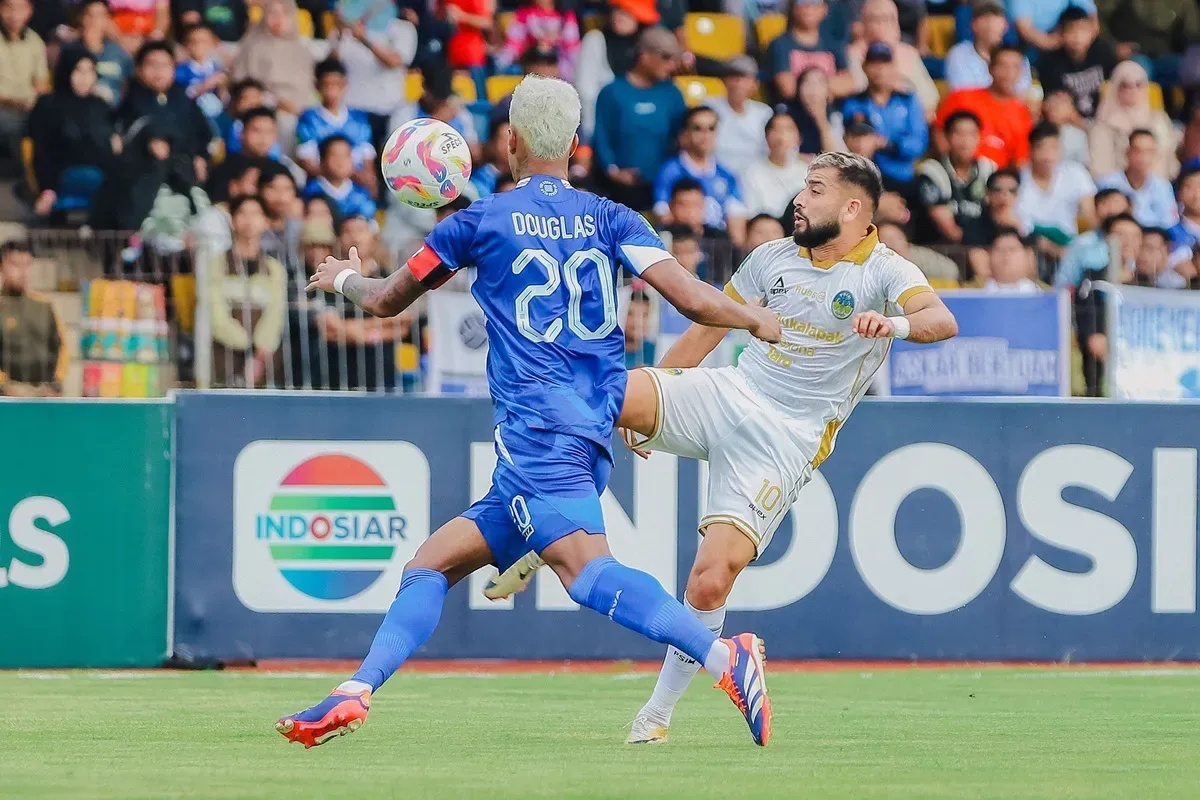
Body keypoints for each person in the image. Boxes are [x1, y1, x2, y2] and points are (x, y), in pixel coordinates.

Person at [281, 75, 782, 749]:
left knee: (587, 575)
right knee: (430, 565)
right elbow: (688, 296)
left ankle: (726, 657)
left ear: (507, 140)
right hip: (589, 425)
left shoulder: (475, 223)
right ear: (575, 145)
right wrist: (754, 319)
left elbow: (386, 300)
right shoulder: (612, 217)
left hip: (539, 430)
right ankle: (355, 691)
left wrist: (342, 275)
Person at [484, 152, 959, 744]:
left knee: (709, 582)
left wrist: (895, 326)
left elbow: (941, 319)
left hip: (786, 438)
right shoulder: (772, 258)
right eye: (802, 189)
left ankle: (656, 717)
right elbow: (707, 328)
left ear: (853, 207)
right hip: (731, 391)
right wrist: (657, 389)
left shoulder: (885, 271)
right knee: (593, 397)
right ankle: (547, 528)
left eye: (814, 190)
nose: (799, 200)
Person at [593, 27, 687, 211]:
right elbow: (602, 135)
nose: (672, 65)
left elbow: (681, 136)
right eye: (666, 57)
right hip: (620, 190)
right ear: (644, 55)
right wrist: (613, 172)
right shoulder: (612, 92)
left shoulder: (673, 94)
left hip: (663, 189)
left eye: (674, 59)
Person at [207, 194, 287, 388]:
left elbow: (276, 314)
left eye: (256, 214)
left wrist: (261, 349)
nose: (249, 220)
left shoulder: (274, 269)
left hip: (264, 357)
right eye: (242, 213)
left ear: (266, 221)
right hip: (223, 351)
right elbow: (214, 311)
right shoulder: (214, 264)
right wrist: (245, 343)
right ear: (232, 220)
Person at [26, 50, 114, 217]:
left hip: (102, 172)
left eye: (90, 71)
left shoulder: (100, 105)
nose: (85, 78)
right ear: (67, 71)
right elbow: (42, 151)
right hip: (61, 174)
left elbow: (108, 148)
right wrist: (48, 188)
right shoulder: (48, 104)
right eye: (78, 70)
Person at [114, 41, 214, 180]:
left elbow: (203, 133)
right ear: (138, 69)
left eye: (165, 65)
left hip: (184, 172)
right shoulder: (129, 101)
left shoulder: (184, 99)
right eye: (152, 64)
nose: (158, 70)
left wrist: (201, 156)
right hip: (143, 174)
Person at [653, 106, 748, 247]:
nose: (705, 134)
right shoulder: (670, 171)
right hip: (681, 248)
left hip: (718, 248)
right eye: (698, 128)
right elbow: (663, 216)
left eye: (711, 128)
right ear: (684, 134)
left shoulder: (727, 175)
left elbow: (737, 224)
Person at [839, 42, 928, 193]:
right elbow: (854, 142)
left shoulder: (908, 100)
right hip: (868, 177)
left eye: (885, 63)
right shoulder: (854, 103)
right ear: (864, 67)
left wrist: (886, 144)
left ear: (894, 67)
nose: (879, 69)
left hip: (904, 176)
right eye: (874, 63)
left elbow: (919, 144)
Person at [229, 0, 315, 151]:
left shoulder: (303, 52)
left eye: (285, 14)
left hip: (303, 113)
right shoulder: (252, 47)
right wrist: (279, 104)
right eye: (273, 13)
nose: (278, 19)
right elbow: (243, 88)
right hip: (267, 112)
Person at [1073, 212, 1142, 395]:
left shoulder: (1148, 282)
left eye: (1134, 236)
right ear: (1106, 240)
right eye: (1120, 235)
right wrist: (1092, 334)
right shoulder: (1093, 280)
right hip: (1103, 362)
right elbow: (1086, 315)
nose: (1127, 242)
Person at [935, 44, 1034, 169]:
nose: (1009, 73)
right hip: (957, 173)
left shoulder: (1022, 114)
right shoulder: (962, 97)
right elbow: (939, 131)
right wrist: (951, 166)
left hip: (996, 181)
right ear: (990, 68)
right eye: (1003, 66)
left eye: (1015, 67)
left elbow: (1020, 161)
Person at [324, 3, 416, 137]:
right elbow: (331, 66)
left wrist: (364, 39)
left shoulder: (403, 27)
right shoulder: (343, 30)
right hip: (351, 110)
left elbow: (394, 61)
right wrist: (339, 33)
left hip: (385, 110)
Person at [296, 58, 377, 194]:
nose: (332, 92)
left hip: (357, 189)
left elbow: (367, 157)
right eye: (326, 85)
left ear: (345, 85)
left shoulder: (358, 118)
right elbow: (307, 163)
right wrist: (341, 175)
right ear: (317, 86)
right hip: (322, 188)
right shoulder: (309, 118)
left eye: (337, 85)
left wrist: (369, 181)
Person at [575, 0, 650, 145]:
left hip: (634, 134)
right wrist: (590, 137)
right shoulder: (595, 39)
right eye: (617, 9)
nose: (619, 16)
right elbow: (586, 93)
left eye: (627, 12)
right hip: (599, 132)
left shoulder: (645, 48)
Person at [846, 0, 938, 118]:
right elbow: (857, 86)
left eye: (887, 19)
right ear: (864, 23)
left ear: (896, 24)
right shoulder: (853, 53)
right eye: (874, 19)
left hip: (906, 123)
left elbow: (929, 100)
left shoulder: (909, 53)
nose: (880, 25)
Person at [915, 110, 995, 245]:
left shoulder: (989, 168)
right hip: (942, 247)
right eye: (959, 134)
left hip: (984, 245)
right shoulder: (932, 171)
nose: (965, 141)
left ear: (979, 138)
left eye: (971, 134)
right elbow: (951, 232)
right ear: (947, 137)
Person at [1089, 60, 1178, 180]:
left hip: (1158, 187)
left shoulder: (1159, 119)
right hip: (1117, 191)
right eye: (1125, 84)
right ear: (1116, 87)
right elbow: (1100, 171)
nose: (1132, 89)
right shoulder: (1103, 125)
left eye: (1138, 84)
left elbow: (1169, 162)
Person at [1016, 123, 1096, 253]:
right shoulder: (1018, 179)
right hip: (1029, 246)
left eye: (1053, 148)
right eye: (1041, 148)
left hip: (1070, 246)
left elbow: (1089, 214)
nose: (1047, 156)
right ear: (1030, 150)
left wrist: (1080, 245)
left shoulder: (1076, 173)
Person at [0, 240, 64, 397]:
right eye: (15, 265)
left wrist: (55, 384)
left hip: (44, 393)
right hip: (7, 394)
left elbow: (61, 347)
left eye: (27, 265)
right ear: (2, 267)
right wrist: (3, 387)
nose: (23, 271)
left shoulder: (44, 306)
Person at [1036, 6, 1116, 120]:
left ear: (1092, 32)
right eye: (1071, 30)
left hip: (1103, 118)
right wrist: (1086, 127)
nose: (1077, 36)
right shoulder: (1050, 61)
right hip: (1070, 123)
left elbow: (1115, 83)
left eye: (1083, 30)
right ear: (1061, 33)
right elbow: (1056, 104)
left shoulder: (1102, 51)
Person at [766, 0, 851, 104]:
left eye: (815, 2)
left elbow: (848, 84)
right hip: (793, 112)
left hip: (830, 112)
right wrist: (830, 85)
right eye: (801, 2)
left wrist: (807, 84)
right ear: (793, 7)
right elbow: (788, 88)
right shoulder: (780, 45)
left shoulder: (833, 45)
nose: (808, 7)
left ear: (824, 9)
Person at [207, 106, 293, 204]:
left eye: (269, 132)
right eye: (257, 131)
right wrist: (238, 189)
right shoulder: (225, 168)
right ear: (242, 133)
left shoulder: (281, 170)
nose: (263, 138)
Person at [944, 1, 1033, 95]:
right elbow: (962, 95)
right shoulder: (958, 54)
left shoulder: (1016, 55)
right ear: (972, 25)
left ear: (1006, 25)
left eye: (996, 17)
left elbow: (1023, 94)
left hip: (1009, 108)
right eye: (984, 17)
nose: (990, 24)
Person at [1097, 129, 1179, 229]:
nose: (1143, 157)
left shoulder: (1163, 187)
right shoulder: (1108, 183)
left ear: (1156, 155)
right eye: (1137, 151)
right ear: (1127, 152)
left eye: (1149, 151)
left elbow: (1170, 224)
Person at [708, 56, 773, 181]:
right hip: (716, 178)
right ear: (724, 80)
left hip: (755, 179)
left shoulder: (764, 113)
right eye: (733, 77)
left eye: (744, 78)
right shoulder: (709, 108)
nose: (738, 83)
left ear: (755, 84)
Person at [0, 0, 49, 167]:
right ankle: (20, 170)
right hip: (4, 107)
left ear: (30, 11)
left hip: (29, 107)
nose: (14, 15)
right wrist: (14, 103)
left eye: (20, 8)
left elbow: (40, 84)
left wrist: (42, 105)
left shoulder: (35, 42)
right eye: (9, 7)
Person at [1054, 186, 1133, 288]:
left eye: (1122, 205)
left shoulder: (1135, 241)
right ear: (1098, 207)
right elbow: (1064, 284)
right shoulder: (1082, 244)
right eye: (1111, 203)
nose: (1117, 210)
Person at [962, 167, 1029, 282]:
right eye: (998, 190)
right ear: (988, 194)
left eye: (1012, 191)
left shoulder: (1023, 229)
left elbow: (1030, 271)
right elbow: (982, 271)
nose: (1005, 196)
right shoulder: (974, 227)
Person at [61, 0, 133, 107]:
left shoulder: (119, 53)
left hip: (114, 114)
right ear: (81, 18)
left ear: (108, 19)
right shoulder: (69, 51)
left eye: (100, 15)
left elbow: (129, 83)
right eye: (89, 15)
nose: (94, 21)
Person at [741, 112, 810, 219]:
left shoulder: (807, 173)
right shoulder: (751, 173)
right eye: (776, 130)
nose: (781, 137)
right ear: (766, 136)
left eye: (788, 130)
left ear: (799, 138)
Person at [497, 0, 580, 82]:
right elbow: (513, 45)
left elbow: (573, 48)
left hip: (561, 65)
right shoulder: (524, 14)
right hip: (532, 63)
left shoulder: (566, 16)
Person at [302, 134, 376, 221]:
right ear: (322, 160)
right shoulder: (310, 193)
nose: (341, 161)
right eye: (335, 155)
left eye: (346, 155)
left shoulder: (362, 194)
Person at [876, 218, 961, 283]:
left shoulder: (921, 257)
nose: (892, 244)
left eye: (896, 238)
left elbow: (951, 271)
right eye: (886, 240)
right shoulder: (875, 264)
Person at [784, 68, 846, 157]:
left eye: (820, 83)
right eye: (807, 83)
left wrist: (821, 120)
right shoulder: (787, 114)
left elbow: (836, 155)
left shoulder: (835, 116)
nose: (814, 89)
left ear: (828, 93)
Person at [175, 23, 227, 122]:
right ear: (186, 45)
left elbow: (224, 98)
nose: (199, 46)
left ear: (213, 43)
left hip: (216, 116)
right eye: (194, 42)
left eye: (204, 41)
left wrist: (223, 88)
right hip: (191, 116)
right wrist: (205, 85)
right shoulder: (181, 70)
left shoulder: (217, 69)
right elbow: (183, 94)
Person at [1009, 0, 1096, 53]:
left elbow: (1092, 18)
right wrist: (1062, 40)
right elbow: (1025, 30)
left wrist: (1079, 40)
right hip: (1024, 50)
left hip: (1067, 47)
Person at [1042, 88, 1090, 166]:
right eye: (1052, 101)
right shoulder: (1038, 130)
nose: (1054, 105)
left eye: (1061, 102)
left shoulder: (1078, 135)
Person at [981, 227, 1039, 291]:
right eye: (1000, 249)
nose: (1006, 255)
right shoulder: (972, 291)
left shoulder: (1045, 293)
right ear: (989, 255)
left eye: (1012, 249)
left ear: (1027, 255)